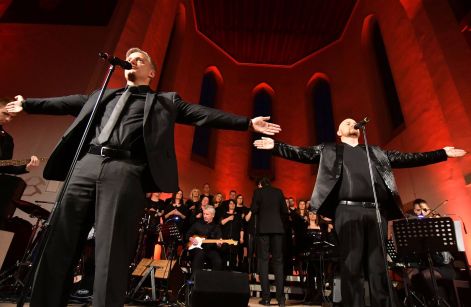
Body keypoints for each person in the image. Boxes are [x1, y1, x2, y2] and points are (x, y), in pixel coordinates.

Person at [6, 47, 281, 307]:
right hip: (86, 165)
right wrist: (28, 104)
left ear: (151, 72)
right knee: (59, 243)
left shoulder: (164, 101)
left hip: (124, 171)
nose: (132, 60)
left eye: (140, 58)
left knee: (111, 250)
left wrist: (246, 123)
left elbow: (202, 114)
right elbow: (65, 103)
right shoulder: (102, 95)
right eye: (130, 57)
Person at [253, 118, 466, 307]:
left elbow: (408, 158)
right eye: (346, 122)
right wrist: (276, 147)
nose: (351, 123)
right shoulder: (330, 150)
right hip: (347, 211)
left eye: (353, 121)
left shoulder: (375, 152)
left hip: (375, 212)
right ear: (338, 132)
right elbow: (302, 153)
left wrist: (442, 153)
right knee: (351, 266)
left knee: (378, 267)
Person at [250, 177, 289, 307]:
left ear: (261, 184)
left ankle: (266, 298)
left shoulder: (258, 192)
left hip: (264, 230)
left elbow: (254, 209)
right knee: (278, 262)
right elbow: (285, 210)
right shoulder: (278, 191)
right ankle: (281, 299)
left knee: (263, 261)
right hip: (278, 229)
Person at [0, 98, 39, 174]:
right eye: (5, 114)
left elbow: (5, 168)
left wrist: (28, 167)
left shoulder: (7, 139)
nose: (8, 119)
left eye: (12, 117)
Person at [186, 206, 223, 272]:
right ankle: (194, 278)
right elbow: (188, 234)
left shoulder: (216, 227)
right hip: (196, 248)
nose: (205, 216)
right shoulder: (197, 224)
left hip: (210, 249)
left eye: (207, 214)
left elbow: (219, 239)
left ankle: (214, 279)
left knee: (218, 261)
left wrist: (219, 244)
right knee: (200, 254)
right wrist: (191, 239)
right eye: (204, 214)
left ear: (213, 215)